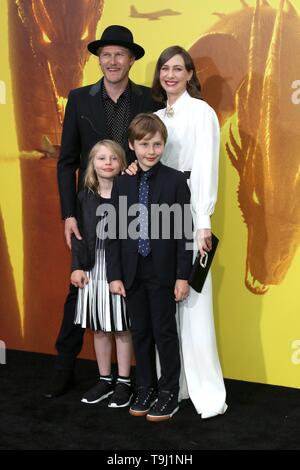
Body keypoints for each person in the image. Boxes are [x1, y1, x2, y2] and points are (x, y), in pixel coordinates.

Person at [45, 25, 161, 399]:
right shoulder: (79, 99)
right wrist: (68, 214)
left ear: (131, 60)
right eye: (106, 54)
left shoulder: (148, 100)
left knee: (132, 289)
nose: (112, 61)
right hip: (89, 211)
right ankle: (65, 370)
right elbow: (66, 162)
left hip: (134, 210)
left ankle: (137, 380)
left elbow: (156, 152)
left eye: (120, 55)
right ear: (99, 59)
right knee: (80, 291)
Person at [127, 46, 227, 418]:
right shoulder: (153, 117)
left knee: (192, 303)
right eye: (164, 68)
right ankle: (170, 384)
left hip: (189, 216)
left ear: (189, 74)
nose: (170, 75)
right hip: (155, 220)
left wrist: (203, 220)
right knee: (160, 308)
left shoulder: (202, 113)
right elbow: (148, 161)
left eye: (178, 69)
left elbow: (205, 168)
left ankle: (201, 388)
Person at [106, 113, 193, 421]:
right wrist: (114, 275)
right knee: (140, 331)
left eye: (157, 144)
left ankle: (169, 391)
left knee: (164, 332)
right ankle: (145, 387)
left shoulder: (175, 181)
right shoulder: (122, 184)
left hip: (163, 273)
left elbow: (185, 233)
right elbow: (114, 233)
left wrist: (183, 276)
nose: (151, 151)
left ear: (164, 145)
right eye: (144, 144)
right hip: (132, 272)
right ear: (132, 145)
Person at [70, 139, 133, 407]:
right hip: (93, 267)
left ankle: (124, 383)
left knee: (121, 326)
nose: (107, 163)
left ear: (122, 164)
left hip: (120, 268)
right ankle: (104, 379)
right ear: (92, 164)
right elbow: (79, 235)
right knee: (98, 327)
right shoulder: (85, 195)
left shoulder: (129, 192)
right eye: (101, 158)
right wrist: (76, 267)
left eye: (113, 158)